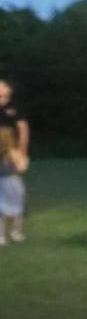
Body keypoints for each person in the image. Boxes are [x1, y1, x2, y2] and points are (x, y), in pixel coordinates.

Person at [0, 81, 27, 243]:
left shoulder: (14, 108)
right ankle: (15, 232)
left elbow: (23, 129)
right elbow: (20, 168)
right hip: (10, 177)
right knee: (17, 203)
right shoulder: (11, 154)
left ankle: (1, 236)